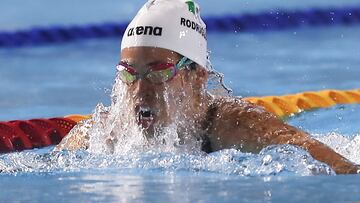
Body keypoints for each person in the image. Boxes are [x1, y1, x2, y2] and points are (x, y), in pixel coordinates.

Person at [56, 0, 359, 174]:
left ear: (197, 76)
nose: (140, 91)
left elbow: (342, 171)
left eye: (158, 72)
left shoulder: (236, 126)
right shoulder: (104, 133)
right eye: (129, 74)